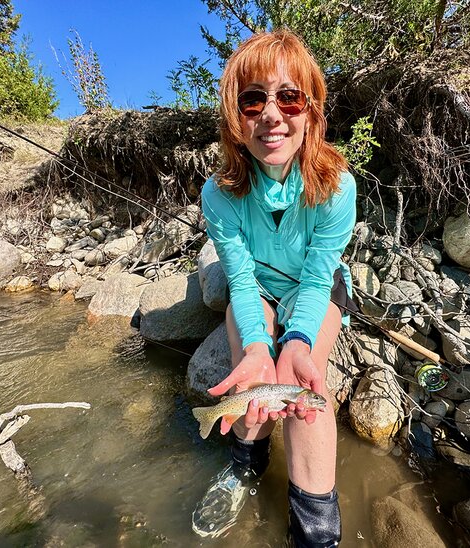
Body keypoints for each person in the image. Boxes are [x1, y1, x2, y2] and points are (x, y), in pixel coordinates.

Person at [192, 29, 357, 547]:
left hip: (318, 288)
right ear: (235, 120)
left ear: (311, 111)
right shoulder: (218, 194)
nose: (271, 114)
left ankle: (315, 530)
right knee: (251, 376)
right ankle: (244, 466)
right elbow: (240, 279)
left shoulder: (338, 187)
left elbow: (316, 276)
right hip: (257, 288)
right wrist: (262, 347)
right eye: (252, 99)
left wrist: (298, 341)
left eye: (289, 97)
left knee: (308, 394)